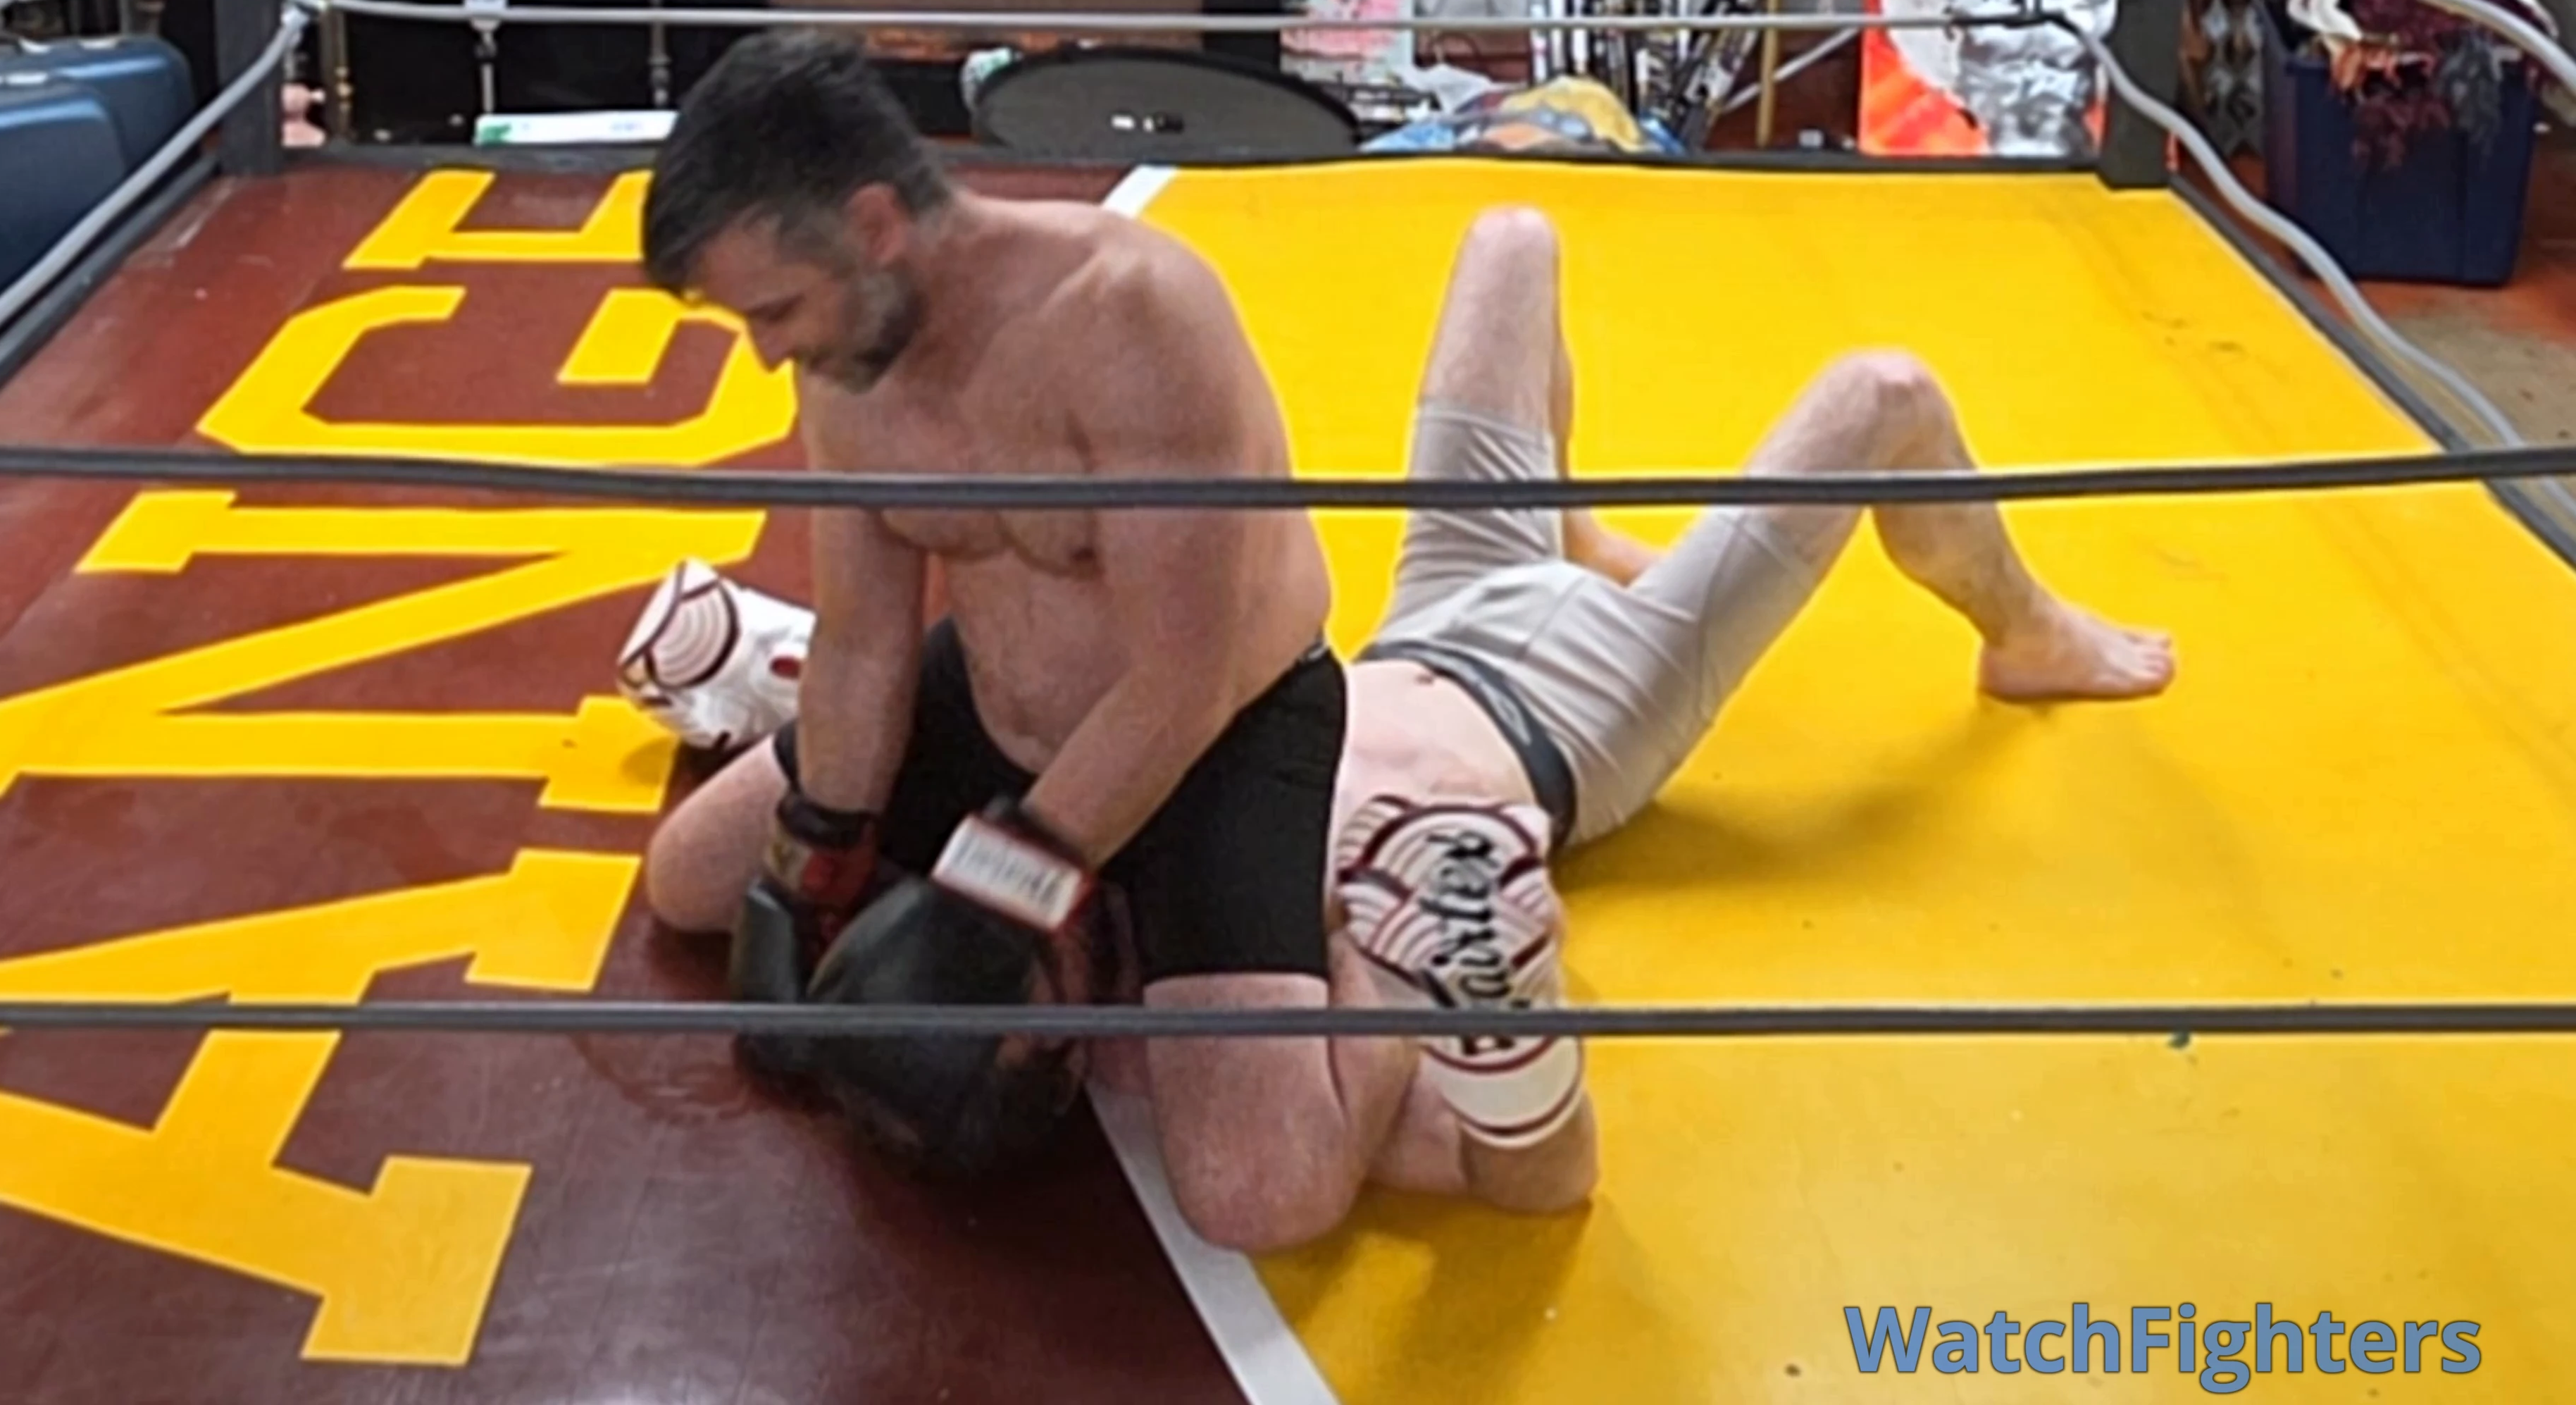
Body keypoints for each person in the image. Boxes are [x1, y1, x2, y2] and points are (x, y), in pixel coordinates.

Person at [627, 196, 2177, 1244]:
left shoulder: (1127, 878)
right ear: (1066, 1046)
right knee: (1885, 396)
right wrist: (1503, 1018)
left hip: (1423, 612)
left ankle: (1570, 522)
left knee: (1510, 232)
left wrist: (837, 822)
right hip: (1582, 712)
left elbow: (1080, 697)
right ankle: (2028, 632)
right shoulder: (1288, 1000)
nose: (1036, 939)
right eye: (1035, 976)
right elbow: (1529, 1176)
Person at [636, 28, 1410, 1242]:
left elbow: (1184, 682)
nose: (769, 350)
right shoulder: (848, 357)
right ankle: (1095, 930)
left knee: (1262, 1195)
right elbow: (866, 642)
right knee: (693, 880)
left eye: (776, 309)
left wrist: (996, 892)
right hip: (999, 706)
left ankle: (1396, 939)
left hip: (1214, 740)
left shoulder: (1131, 317)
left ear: (875, 226)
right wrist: (817, 857)